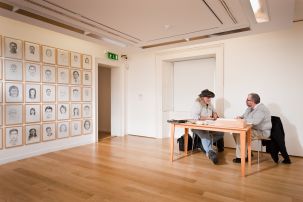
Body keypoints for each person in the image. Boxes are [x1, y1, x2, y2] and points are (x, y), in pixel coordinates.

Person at [233, 93, 272, 163]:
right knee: (236, 132)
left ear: (253, 101)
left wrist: (243, 120)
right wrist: (240, 117)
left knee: (240, 134)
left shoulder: (261, 109)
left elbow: (255, 121)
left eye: (248, 100)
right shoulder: (250, 108)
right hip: (253, 129)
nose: (246, 101)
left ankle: (241, 158)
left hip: (262, 132)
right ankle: (245, 152)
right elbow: (244, 116)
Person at [191, 89, 224, 164]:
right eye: (208, 97)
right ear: (202, 97)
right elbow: (194, 117)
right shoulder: (197, 104)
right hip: (197, 126)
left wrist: (215, 114)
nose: (209, 99)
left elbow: (214, 111)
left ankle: (201, 144)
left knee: (221, 133)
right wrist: (207, 118)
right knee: (205, 134)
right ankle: (210, 152)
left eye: (210, 97)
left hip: (208, 125)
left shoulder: (210, 104)